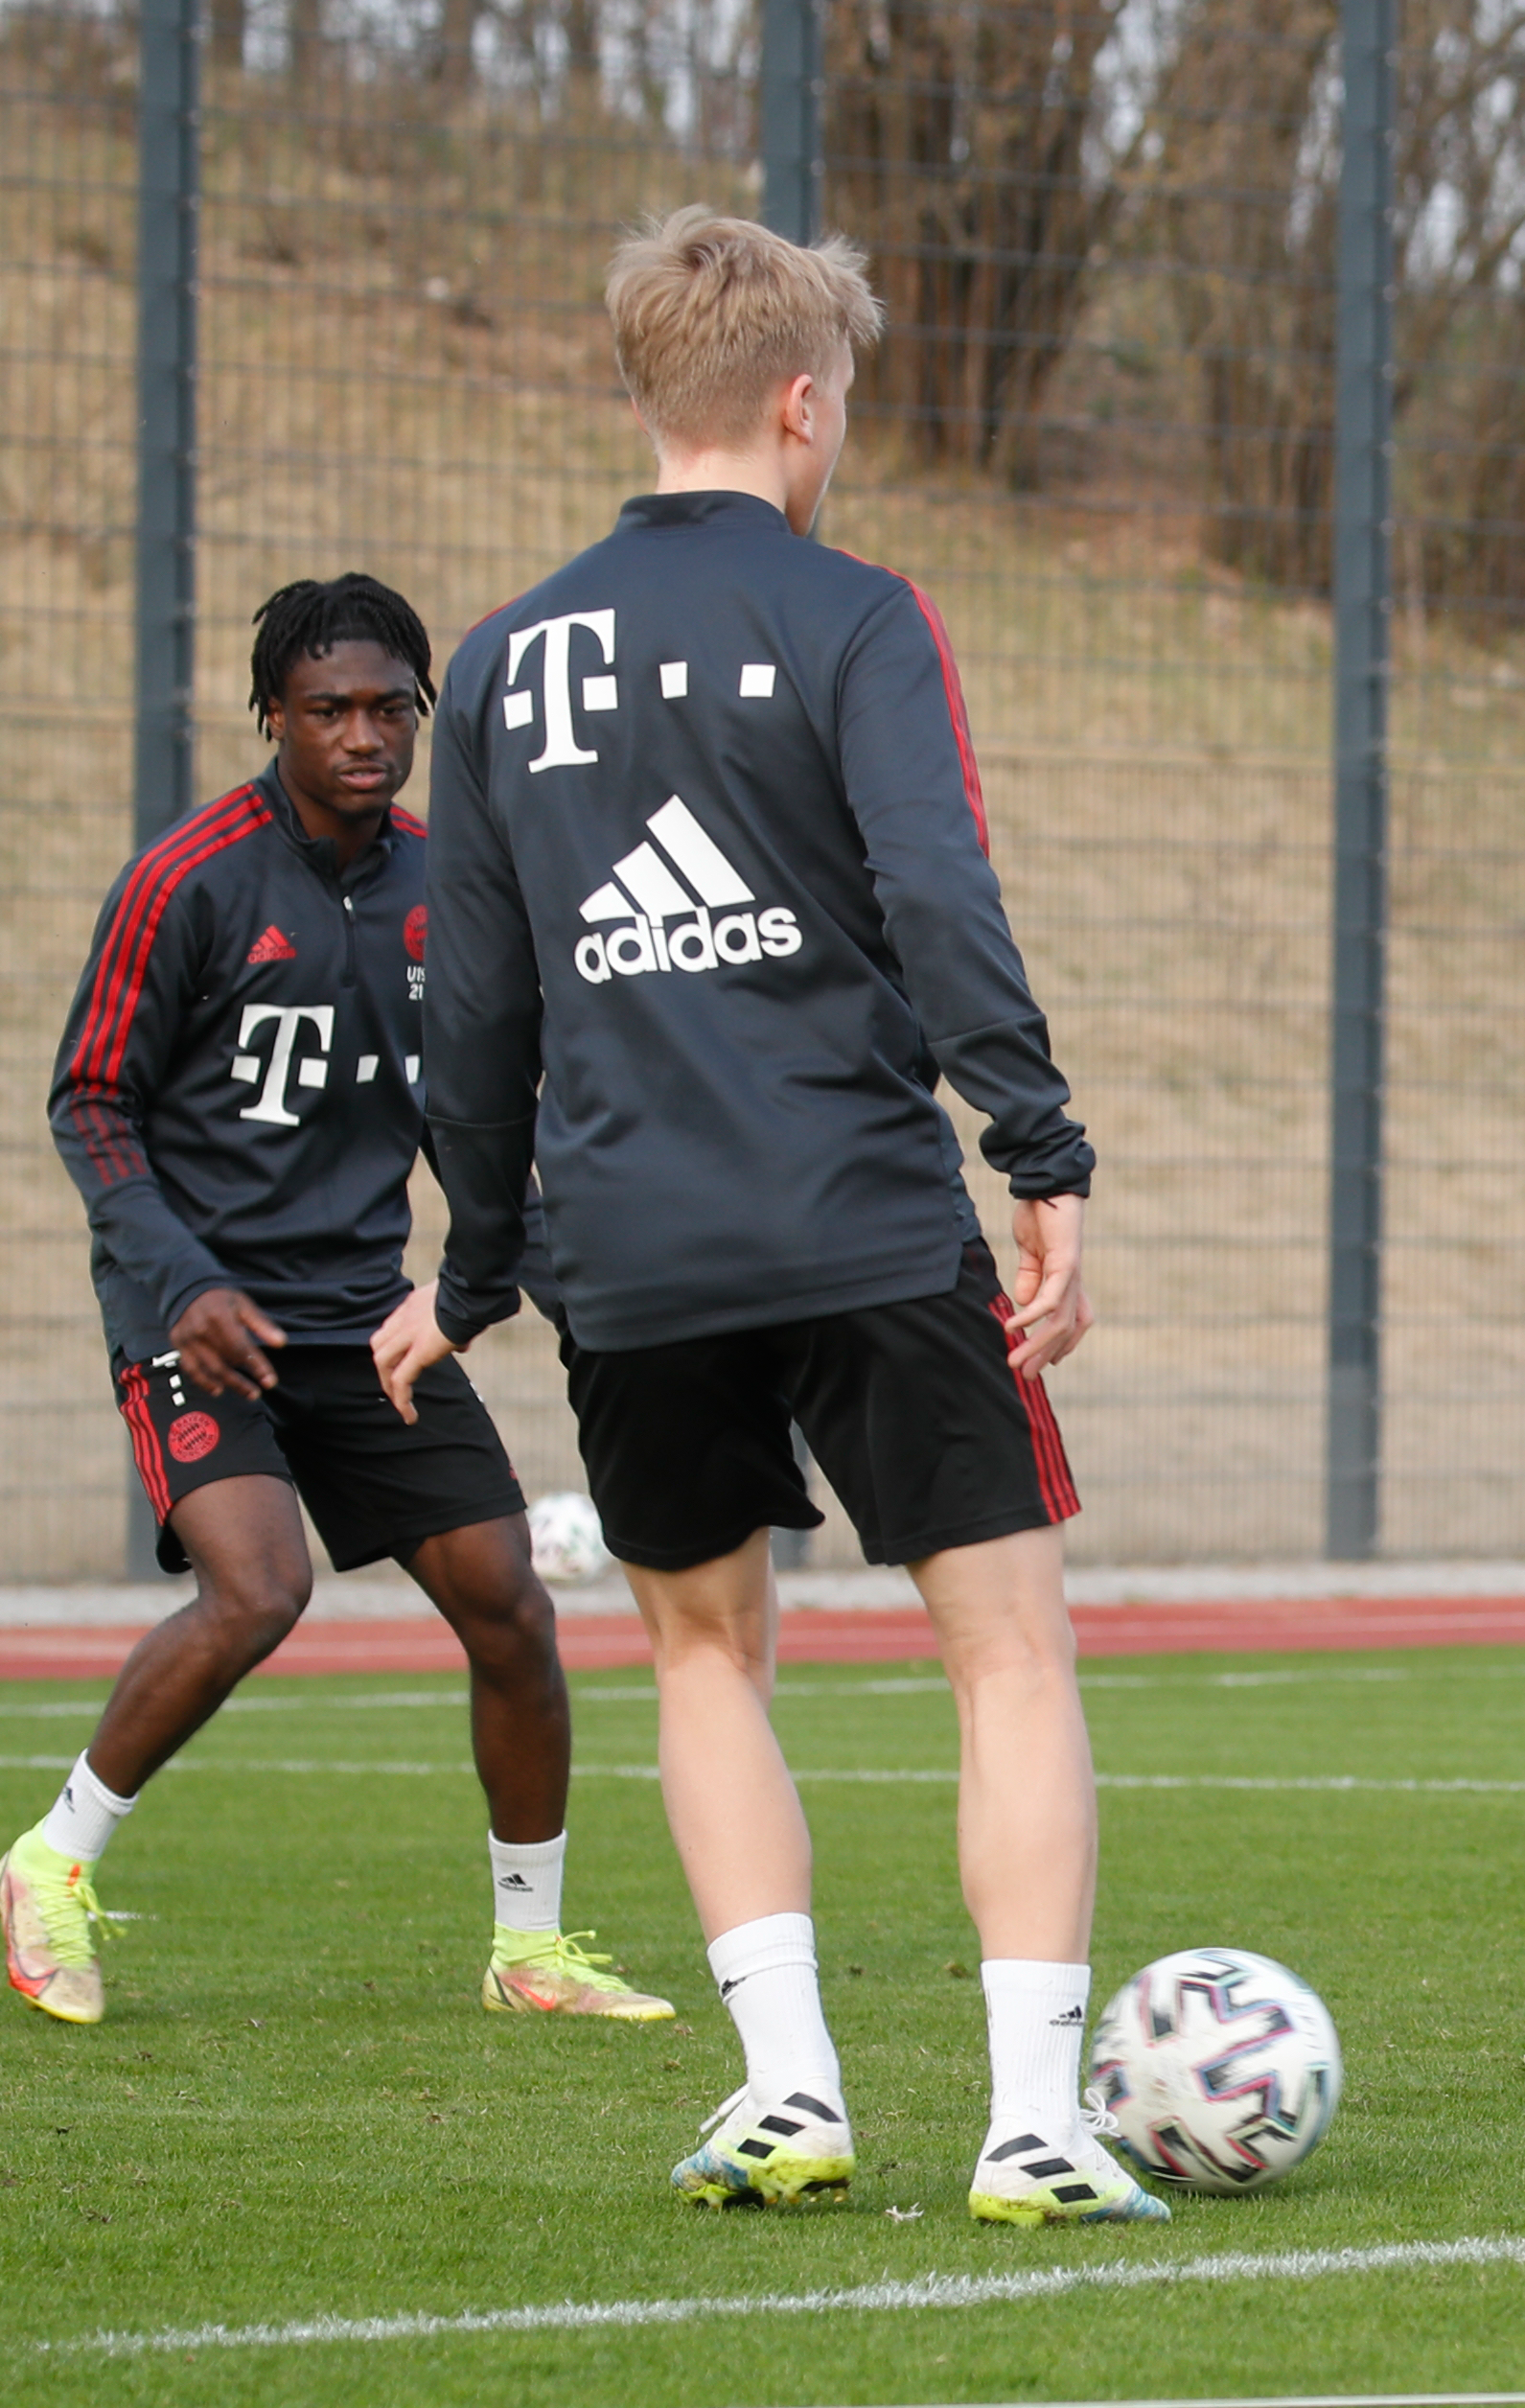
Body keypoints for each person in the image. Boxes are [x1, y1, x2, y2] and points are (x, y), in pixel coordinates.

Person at [371, 209, 1149, 2225]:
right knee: (1004, 1655)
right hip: (871, 1221)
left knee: (706, 1658)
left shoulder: (501, 662)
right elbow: (939, 893)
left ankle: (788, 2091)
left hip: (629, 1255)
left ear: (652, 396)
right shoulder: (858, 613)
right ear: (803, 404)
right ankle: (1034, 2125)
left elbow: (474, 1001)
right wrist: (1039, 1151)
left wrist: (475, 1269)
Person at [12, 577, 668, 2033]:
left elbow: (478, 1126)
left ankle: (530, 1949)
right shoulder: (186, 880)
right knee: (259, 1588)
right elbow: (90, 1104)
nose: (364, 735)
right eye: (330, 710)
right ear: (274, 718)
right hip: (201, 1320)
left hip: (370, 1321)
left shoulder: (452, 891)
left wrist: (572, 1298)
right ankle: (49, 1864)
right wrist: (179, 1281)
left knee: (508, 1603)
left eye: (390, 709)